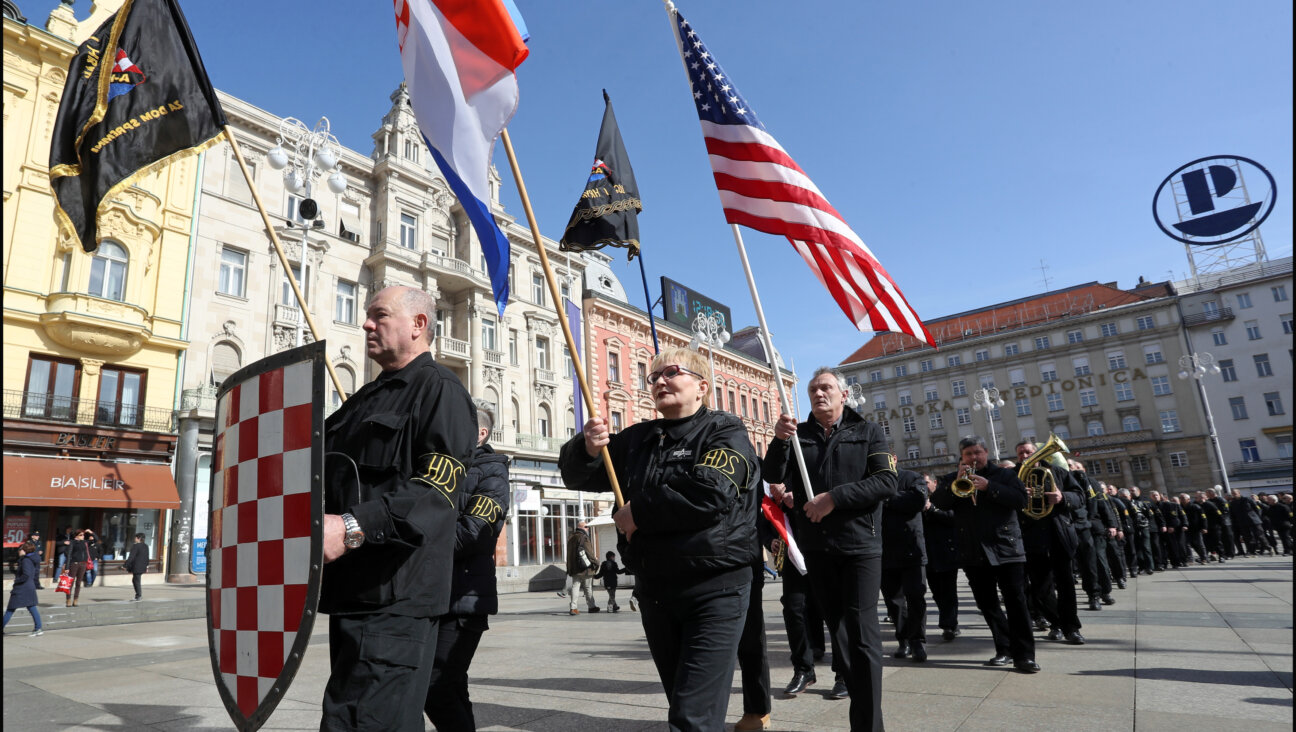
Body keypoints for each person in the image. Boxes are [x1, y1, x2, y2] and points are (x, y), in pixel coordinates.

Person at [560, 347, 760, 732]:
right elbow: (577, 476)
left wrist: (640, 512)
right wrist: (586, 447)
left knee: (692, 717)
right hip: (656, 592)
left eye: (671, 372)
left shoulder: (726, 430)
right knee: (684, 707)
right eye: (653, 377)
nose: (660, 381)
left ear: (702, 386)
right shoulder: (637, 440)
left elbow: (713, 491)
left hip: (715, 589)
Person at [318, 285, 478, 732]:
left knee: (365, 723)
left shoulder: (441, 391)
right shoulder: (364, 399)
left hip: (396, 599)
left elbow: (433, 496)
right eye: (367, 315)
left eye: (379, 314)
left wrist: (351, 527)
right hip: (352, 592)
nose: (366, 323)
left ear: (418, 324)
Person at [764, 367, 898, 730]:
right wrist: (778, 439)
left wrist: (834, 498)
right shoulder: (798, 434)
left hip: (859, 544)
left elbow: (886, 481)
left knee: (861, 631)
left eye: (825, 388)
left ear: (843, 394)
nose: (818, 394)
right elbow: (773, 474)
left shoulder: (867, 431)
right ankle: (857, 701)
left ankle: (869, 725)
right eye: (812, 390)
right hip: (817, 546)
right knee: (837, 628)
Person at [424, 398, 511, 732]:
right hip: (434, 592)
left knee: (436, 687)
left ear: (481, 433)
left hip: (464, 601)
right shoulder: (443, 465)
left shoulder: (493, 471)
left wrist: (421, 548)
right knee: (452, 685)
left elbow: (475, 531)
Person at [931, 436, 1037, 674]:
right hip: (972, 550)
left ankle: (1025, 656)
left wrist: (989, 487)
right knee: (986, 603)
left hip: (1006, 548)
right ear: (962, 457)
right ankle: (1004, 647)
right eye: (968, 454)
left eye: (977, 452)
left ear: (986, 452)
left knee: (1016, 603)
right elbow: (938, 502)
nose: (973, 458)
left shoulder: (1004, 475)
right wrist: (955, 482)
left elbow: (1020, 500)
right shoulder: (952, 479)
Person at [1015, 440, 1085, 646]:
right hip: (1031, 537)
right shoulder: (1013, 476)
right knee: (1040, 588)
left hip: (1058, 533)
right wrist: (1018, 496)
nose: (1024, 456)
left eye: (1027, 452)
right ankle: (1058, 623)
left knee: (1066, 585)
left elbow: (1080, 496)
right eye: (1020, 453)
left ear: (1037, 453)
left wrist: (1063, 497)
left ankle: (1071, 628)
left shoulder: (1057, 471)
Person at [881, 466, 929, 662]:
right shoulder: (871, 479)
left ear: (893, 459)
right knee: (893, 601)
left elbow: (917, 500)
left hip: (911, 548)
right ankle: (904, 640)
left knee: (916, 596)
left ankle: (917, 641)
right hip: (884, 550)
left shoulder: (912, 477)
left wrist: (884, 498)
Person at [921, 472, 961, 642]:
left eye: (926, 482)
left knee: (949, 591)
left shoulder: (945, 497)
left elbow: (953, 518)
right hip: (928, 554)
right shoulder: (917, 499)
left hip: (946, 551)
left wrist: (932, 509)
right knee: (937, 592)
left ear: (935, 482)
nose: (923, 486)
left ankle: (949, 625)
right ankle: (948, 621)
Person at [4, 540, 44, 636]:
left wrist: (16, 581)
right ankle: (38, 628)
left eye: (20, 549)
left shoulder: (26, 560)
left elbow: (26, 574)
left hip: (22, 587)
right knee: (31, 607)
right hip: (28, 586)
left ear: (24, 550)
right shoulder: (31, 559)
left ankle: (38, 628)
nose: (18, 551)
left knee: (11, 609)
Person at [564, 522, 600, 615]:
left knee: (575, 587)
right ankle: (591, 607)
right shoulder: (584, 537)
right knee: (588, 587)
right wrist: (596, 563)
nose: (587, 529)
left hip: (574, 568)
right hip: (585, 568)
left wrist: (569, 568)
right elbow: (589, 553)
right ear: (582, 528)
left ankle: (573, 607)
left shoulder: (571, 538)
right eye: (586, 527)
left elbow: (568, 554)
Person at [64, 529, 90, 607]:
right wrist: (67, 567)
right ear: (76, 536)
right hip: (74, 564)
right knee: (70, 582)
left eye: (83, 535)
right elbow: (68, 555)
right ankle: (68, 599)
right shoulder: (72, 543)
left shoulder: (84, 542)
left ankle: (76, 600)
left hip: (83, 564)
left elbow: (95, 540)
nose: (83, 536)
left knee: (78, 583)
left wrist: (91, 532)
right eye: (81, 535)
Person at [122, 533, 149, 601]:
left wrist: (125, 565)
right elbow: (147, 557)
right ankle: (138, 595)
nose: (134, 539)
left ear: (139, 538)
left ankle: (139, 595)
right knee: (135, 580)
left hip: (137, 566)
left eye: (135, 538)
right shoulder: (146, 546)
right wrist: (147, 566)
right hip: (142, 566)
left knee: (136, 581)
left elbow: (131, 557)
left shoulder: (136, 546)